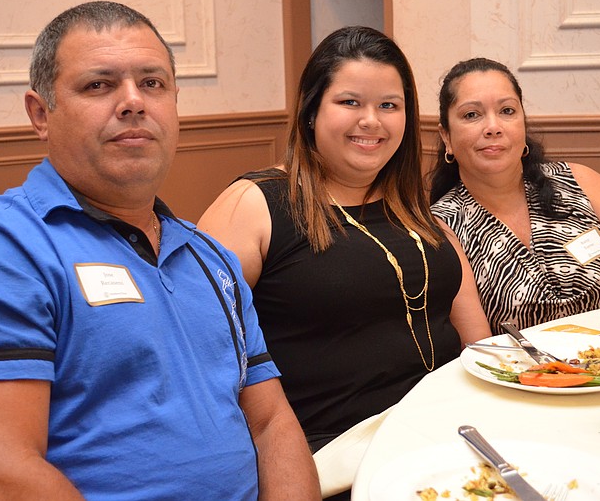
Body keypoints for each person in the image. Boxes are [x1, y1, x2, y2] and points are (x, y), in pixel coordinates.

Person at [0, 1, 320, 500]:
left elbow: (272, 423)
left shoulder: (209, 257)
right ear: (41, 113)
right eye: (98, 85)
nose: (134, 102)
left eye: (153, 83)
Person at [198, 26, 491, 498]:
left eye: (389, 105)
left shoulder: (413, 204)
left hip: (448, 437)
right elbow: (197, 353)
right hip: (335, 460)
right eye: (350, 102)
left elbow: (474, 336)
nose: (371, 121)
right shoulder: (256, 204)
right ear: (312, 110)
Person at [429, 57, 600, 332]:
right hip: (516, 372)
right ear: (447, 137)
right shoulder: (442, 225)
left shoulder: (581, 181)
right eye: (471, 115)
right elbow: (478, 346)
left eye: (507, 111)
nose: (493, 126)